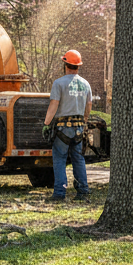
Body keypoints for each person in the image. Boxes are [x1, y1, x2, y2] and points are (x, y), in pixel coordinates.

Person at [43, 49, 92, 202]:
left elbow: (53, 105)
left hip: (63, 129)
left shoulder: (59, 83)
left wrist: (46, 123)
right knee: (78, 158)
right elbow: (88, 105)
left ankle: (59, 193)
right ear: (78, 66)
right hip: (78, 129)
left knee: (59, 159)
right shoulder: (85, 84)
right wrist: (84, 121)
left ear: (65, 64)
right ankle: (83, 191)